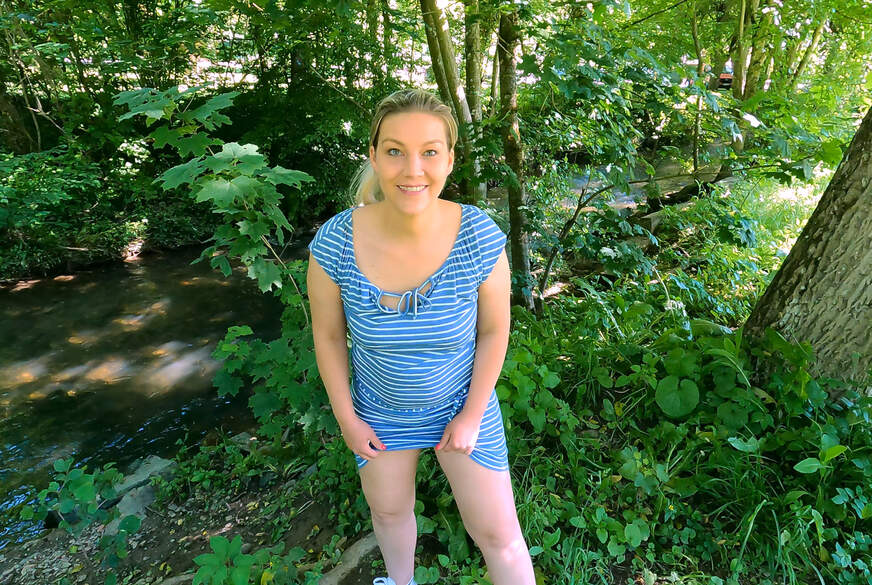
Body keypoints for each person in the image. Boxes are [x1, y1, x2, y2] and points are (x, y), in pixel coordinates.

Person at [306, 88, 535, 585]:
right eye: (395, 151)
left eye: (429, 151)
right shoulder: (335, 242)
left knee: (500, 537)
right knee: (389, 514)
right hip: (378, 410)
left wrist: (471, 415)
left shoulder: (478, 236)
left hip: (463, 403)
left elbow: (495, 330)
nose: (413, 169)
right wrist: (347, 419)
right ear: (373, 155)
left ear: (449, 160)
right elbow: (328, 337)